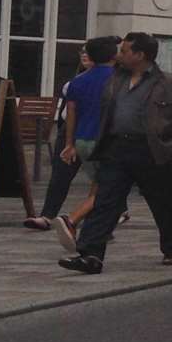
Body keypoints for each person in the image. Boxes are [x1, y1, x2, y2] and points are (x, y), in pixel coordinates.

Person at [58, 32, 172, 274]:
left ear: (140, 55)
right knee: (105, 201)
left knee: (166, 202)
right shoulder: (116, 80)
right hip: (117, 148)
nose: (119, 55)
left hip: (152, 150)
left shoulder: (171, 84)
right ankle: (91, 254)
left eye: (124, 51)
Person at [26, 36, 117, 233]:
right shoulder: (119, 79)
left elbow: (71, 115)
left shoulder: (76, 82)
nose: (83, 55)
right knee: (106, 184)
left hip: (80, 138)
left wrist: (70, 142)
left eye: (86, 51)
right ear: (114, 55)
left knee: (100, 182)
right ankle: (79, 221)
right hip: (105, 139)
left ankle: (93, 222)